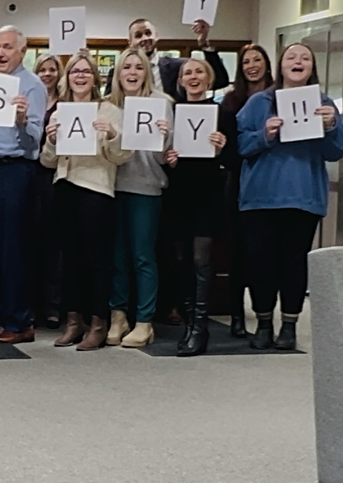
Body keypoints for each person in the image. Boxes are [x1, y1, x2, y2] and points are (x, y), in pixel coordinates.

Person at [238, 43, 343, 351]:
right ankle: (263, 324)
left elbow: (337, 151)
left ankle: (289, 326)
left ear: (312, 67)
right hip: (260, 198)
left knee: (294, 263)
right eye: (291, 57)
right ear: (280, 66)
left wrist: (331, 127)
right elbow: (239, 146)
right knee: (260, 263)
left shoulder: (324, 104)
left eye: (305, 58)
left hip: (304, 197)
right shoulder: (259, 103)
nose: (298, 61)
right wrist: (264, 135)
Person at [41, 49, 130, 351]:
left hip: (96, 189)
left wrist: (112, 135)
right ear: (67, 78)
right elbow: (47, 161)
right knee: (69, 259)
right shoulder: (59, 112)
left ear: (95, 78)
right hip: (65, 187)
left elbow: (122, 156)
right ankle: (73, 321)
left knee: (96, 260)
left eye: (85, 71)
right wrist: (51, 141)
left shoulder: (109, 111)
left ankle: (98, 323)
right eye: (75, 72)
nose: (80, 76)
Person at [0, 27, 46, 345]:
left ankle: (19, 323)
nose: (0, 53)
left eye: (7, 47)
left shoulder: (32, 85)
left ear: (22, 52)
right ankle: (6, 317)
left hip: (14, 170)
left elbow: (35, 140)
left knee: (13, 249)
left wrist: (22, 120)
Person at [165, 58, 236, 356]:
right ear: (180, 81)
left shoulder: (223, 113)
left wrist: (222, 148)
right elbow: (163, 158)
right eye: (187, 73)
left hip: (208, 194)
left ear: (208, 79)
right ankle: (189, 321)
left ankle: (201, 327)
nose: (193, 77)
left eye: (198, 72)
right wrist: (169, 160)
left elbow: (233, 159)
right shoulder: (172, 113)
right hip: (178, 194)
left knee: (201, 260)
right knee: (181, 260)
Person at [103, 47, 172, 349]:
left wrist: (165, 137)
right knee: (116, 256)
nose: (132, 72)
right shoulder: (108, 105)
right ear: (118, 73)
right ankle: (117, 315)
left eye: (138, 67)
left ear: (147, 72)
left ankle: (145, 321)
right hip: (112, 187)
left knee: (143, 256)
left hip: (146, 186)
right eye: (126, 67)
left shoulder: (162, 103)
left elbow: (164, 157)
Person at [220, 44, 273, 337]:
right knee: (239, 251)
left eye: (257, 60)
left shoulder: (280, 98)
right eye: (246, 62)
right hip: (239, 181)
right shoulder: (231, 101)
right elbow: (231, 148)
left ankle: (265, 314)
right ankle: (237, 315)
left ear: (267, 64)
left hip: (272, 181)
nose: (252, 66)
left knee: (264, 254)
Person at [111, 18, 229, 99]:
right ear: (130, 42)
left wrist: (205, 45)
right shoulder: (118, 72)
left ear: (156, 36)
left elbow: (220, 81)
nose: (145, 38)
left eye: (148, 33)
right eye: (138, 36)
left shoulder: (179, 66)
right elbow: (113, 102)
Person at [33, 51, 63, 329]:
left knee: (54, 242)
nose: (47, 74)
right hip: (30, 173)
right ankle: (32, 303)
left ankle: (53, 304)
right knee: (32, 239)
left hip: (55, 176)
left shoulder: (65, 104)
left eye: (52, 69)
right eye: (42, 69)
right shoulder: (30, 99)